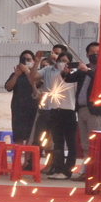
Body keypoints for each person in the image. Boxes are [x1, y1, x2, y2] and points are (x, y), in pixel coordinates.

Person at [36, 50, 78, 179]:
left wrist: (69, 72)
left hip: (69, 111)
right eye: (61, 61)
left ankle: (67, 170)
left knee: (70, 142)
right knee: (58, 142)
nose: (63, 64)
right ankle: (58, 168)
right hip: (56, 110)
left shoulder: (75, 76)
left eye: (66, 61)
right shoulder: (54, 76)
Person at [73, 42, 101, 164]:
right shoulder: (82, 68)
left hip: (95, 110)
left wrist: (88, 70)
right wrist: (65, 71)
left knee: (94, 142)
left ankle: (94, 170)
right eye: (92, 53)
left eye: (98, 53)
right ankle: (85, 170)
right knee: (85, 142)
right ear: (87, 55)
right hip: (81, 109)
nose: (95, 55)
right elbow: (69, 79)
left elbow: (99, 81)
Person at [4, 50, 40, 145]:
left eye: (29, 59)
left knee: (30, 137)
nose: (26, 61)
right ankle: (17, 158)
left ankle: (27, 159)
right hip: (18, 108)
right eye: (24, 59)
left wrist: (28, 71)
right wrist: (16, 75)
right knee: (18, 135)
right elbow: (8, 87)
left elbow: (35, 83)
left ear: (33, 61)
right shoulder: (15, 74)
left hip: (32, 107)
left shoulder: (37, 74)